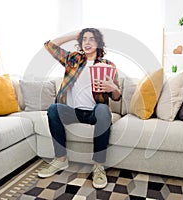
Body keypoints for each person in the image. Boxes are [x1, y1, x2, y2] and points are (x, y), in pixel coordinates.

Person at [38, 28, 121, 189]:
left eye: (92, 39)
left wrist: (113, 88)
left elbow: (117, 97)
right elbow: (49, 46)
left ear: (98, 43)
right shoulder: (73, 59)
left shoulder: (108, 65)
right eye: (84, 39)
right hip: (73, 112)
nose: (88, 42)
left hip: (94, 113)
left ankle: (98, 166)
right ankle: (61, 160)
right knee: (53, 109)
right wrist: (73, 35)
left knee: (104, 110)